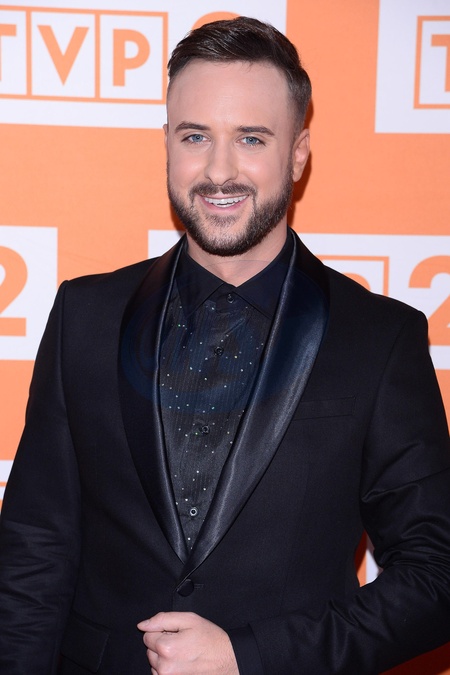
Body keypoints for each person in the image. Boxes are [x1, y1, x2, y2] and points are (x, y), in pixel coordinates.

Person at [0, 15, 449, 675]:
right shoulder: (84, 315)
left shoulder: (379, 339)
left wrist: (251, 654)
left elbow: (436, 575)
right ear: (166, 143)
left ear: (298, 153)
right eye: (195, 136)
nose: (219, 170)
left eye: (251, 138)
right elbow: (33, 553)